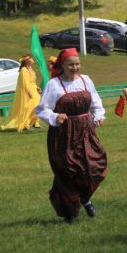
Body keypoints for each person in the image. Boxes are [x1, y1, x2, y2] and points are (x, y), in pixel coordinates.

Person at [35, 48, 107, 224]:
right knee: (67, 171)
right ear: (63, 65)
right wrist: (55, 117)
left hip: (86, 131)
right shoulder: (54, 84)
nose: (75, 67)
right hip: (63, 134)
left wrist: (98, 116)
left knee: (95, 167)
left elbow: (96, 101)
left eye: (77, 64)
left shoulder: (85, 80)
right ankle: (69, 213)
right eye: (70, 64)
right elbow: (41, 109)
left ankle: (85, 198)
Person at [1, 54, 41, 132]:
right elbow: (25, 82)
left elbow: (32, 81)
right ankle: (25, 123)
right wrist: (29, 92)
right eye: (31, 58)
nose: (33, 60)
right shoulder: (24, 70)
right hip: (28, 90)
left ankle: (34, 121)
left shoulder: (31, 69)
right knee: (28, 106)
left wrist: (37, 87)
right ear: (26, 61)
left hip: (34, 90)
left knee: (37, 105)